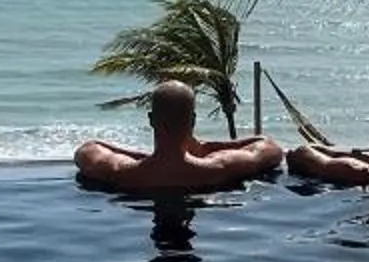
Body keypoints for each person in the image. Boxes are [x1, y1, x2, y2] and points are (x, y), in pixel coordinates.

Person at [74, 81, 285, 194]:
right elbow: (270, 147)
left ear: (151, 119)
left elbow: (88, 149)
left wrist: (141, 157)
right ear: (192, 120)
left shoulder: (121, 172)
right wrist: (205, 147)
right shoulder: (218, 168)